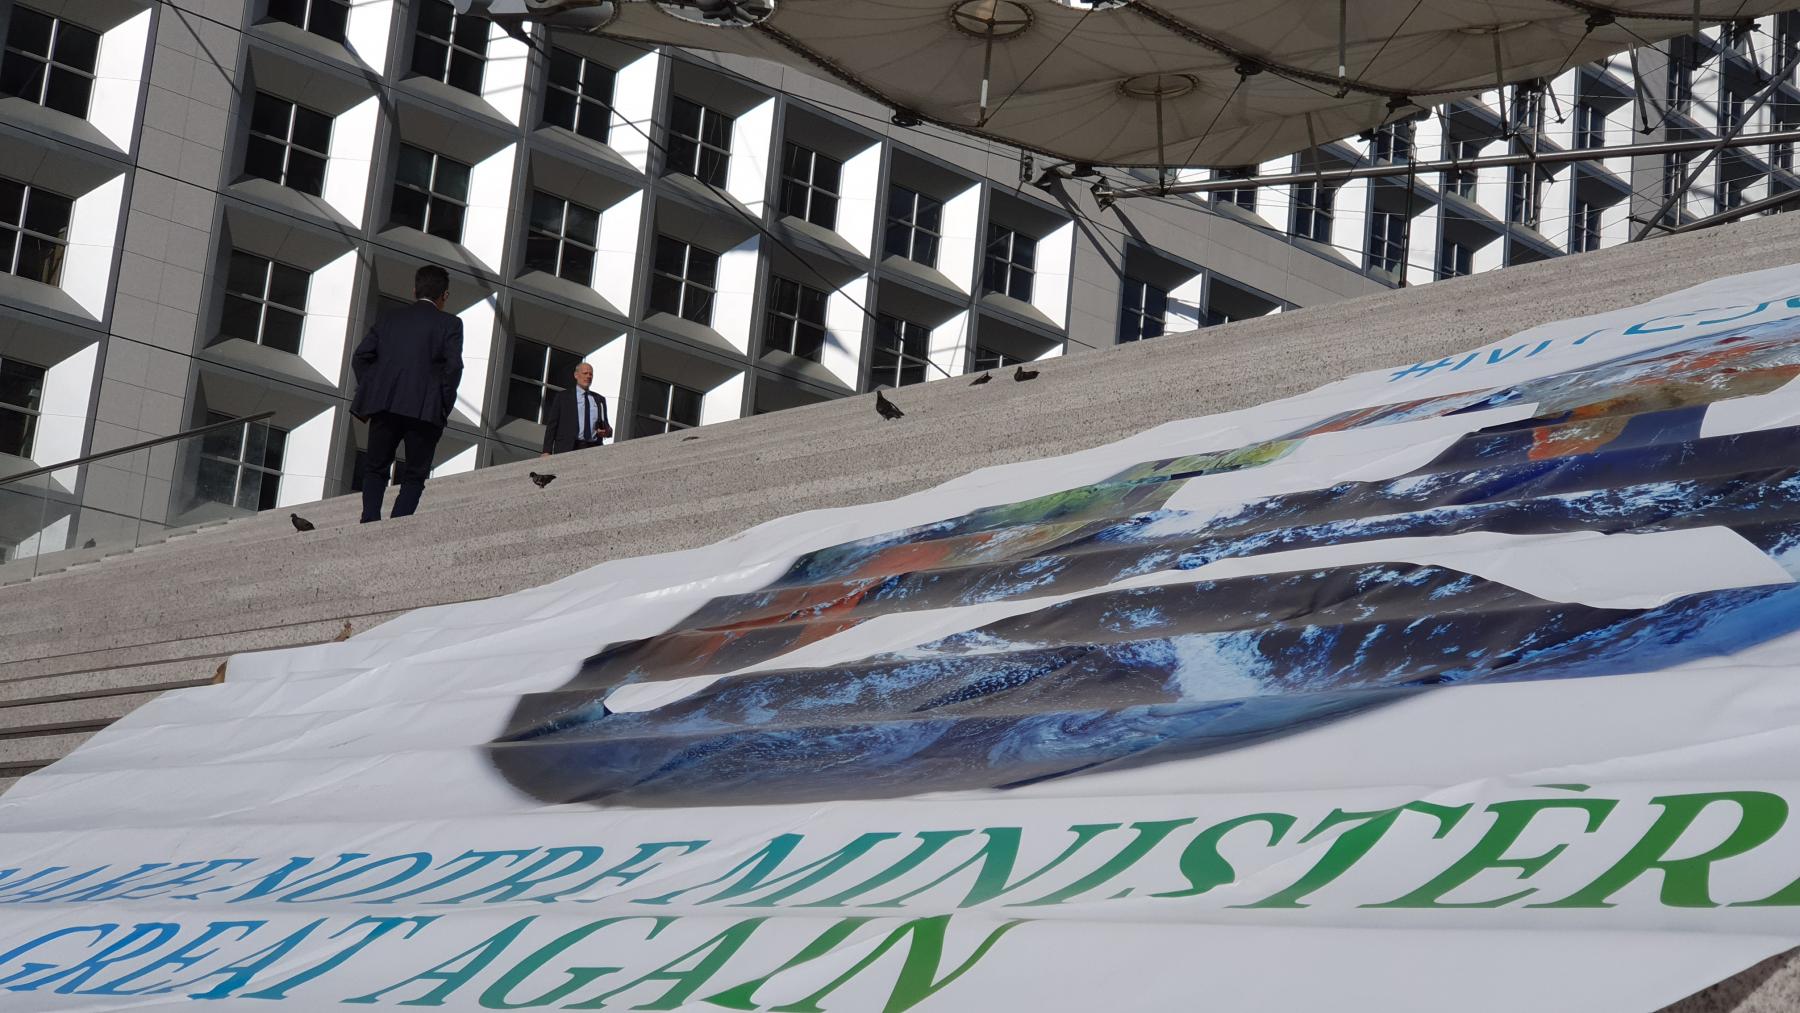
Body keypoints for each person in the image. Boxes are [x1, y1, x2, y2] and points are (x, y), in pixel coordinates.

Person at [351, 264, 464, 523]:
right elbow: (453, 368)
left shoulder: (390, 318)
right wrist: (443, 404)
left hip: (385, 405)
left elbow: (361, 356)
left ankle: (369, 519)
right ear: (445, 295)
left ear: (414, 290)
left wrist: (374, 388)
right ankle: (398, 523)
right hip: (425, 409)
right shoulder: (451, 324)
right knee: (415, 474)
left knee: (375, 467)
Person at [540, 362, 612, 456]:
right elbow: (552, 425)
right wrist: (546, 451)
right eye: (585, 373)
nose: (588, 376)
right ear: (576, 375)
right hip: (568, 448)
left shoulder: (599, 399)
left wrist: (607, 432)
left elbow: (606, 425)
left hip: (593, 448)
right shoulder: (563, 397)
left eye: (591, 374)